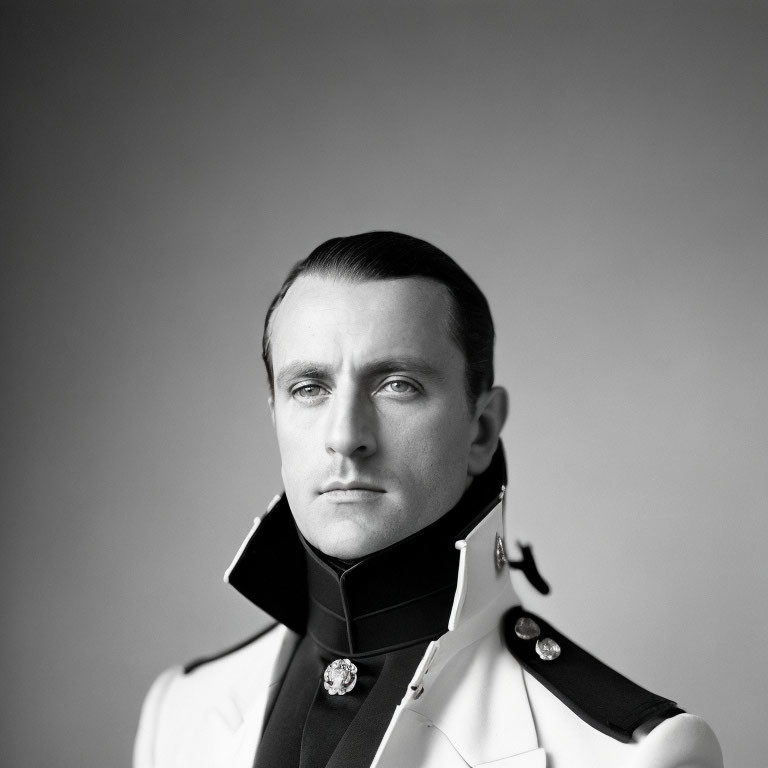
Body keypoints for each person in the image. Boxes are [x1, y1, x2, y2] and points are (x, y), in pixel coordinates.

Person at [134, 232, 722, 767]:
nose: (345, 436)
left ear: (482, 428)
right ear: (276, 417)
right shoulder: (181, 711)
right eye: (309, 388)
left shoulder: (631, 756)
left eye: (398, 385)